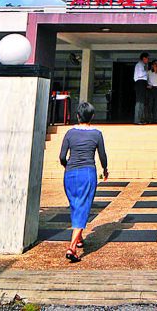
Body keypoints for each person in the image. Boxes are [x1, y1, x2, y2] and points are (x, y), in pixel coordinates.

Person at [59, 101, 108, 263]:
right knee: (83, 206)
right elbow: (102, 155)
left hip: (70, 173)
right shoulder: (96, 134)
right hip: (87, 172)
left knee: (75, 204)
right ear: (92, 116)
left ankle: (79, 238)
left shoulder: (70, 133)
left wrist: (67, 166)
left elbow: (62, 156)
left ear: (77, 116)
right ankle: (72, 247)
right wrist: (105, 169)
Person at [133, 52, 149, 124]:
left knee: (142, 102)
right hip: (140, 83)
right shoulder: (139, 65)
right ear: (144, 58)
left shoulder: (143, 65)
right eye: (147, 58)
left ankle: (141, 119)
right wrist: (147, 72)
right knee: (139, 101)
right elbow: (140, 75)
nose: (148, 60)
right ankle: (137, 120)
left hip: (142, 83)